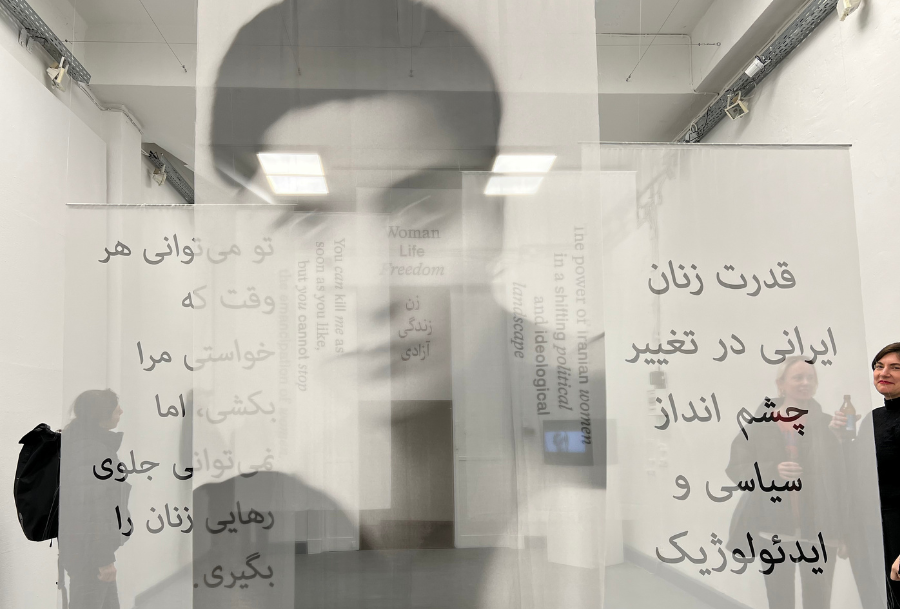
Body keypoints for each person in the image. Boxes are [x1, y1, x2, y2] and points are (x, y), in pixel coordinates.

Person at [726, 356, 848, 609]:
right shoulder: (759, 425)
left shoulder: (827, 424)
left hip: (820, 528)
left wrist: (840, 439)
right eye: (798, 377)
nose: (805, 382)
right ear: (781, 384)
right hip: (773, 528)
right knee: (779, 599)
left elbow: (841, 478)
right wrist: (772, 471)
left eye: (810, 378)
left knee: (819, 601)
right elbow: (736, 468)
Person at [835, 343, 900, 607]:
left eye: (896, 367)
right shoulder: (875, 418)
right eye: (879, 366)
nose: (884, 373)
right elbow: (860, 473)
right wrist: (842, 438)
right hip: (869, 529)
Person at [59, 389, 128, 609]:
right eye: (116, 408)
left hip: (85, 551)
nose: (121, 411)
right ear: (101, 415)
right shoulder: (93, 451)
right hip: (89, 556)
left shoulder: (83, 443)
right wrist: (104, 560)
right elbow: (91, 510)